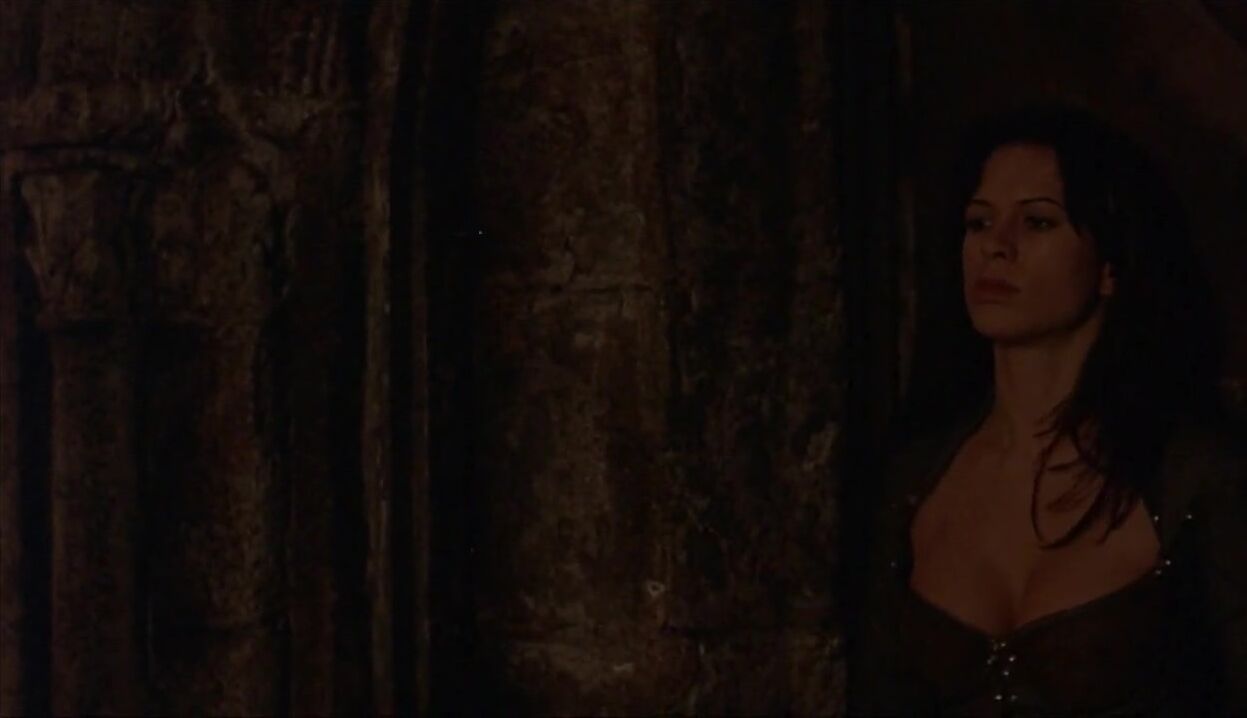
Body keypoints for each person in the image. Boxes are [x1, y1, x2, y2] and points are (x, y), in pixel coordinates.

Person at [846, 105, 1247, 715]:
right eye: (979, 223)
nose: (996, 247)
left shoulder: (1194, 477)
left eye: (1036, 222)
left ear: (1109, 266)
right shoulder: (917, 475)